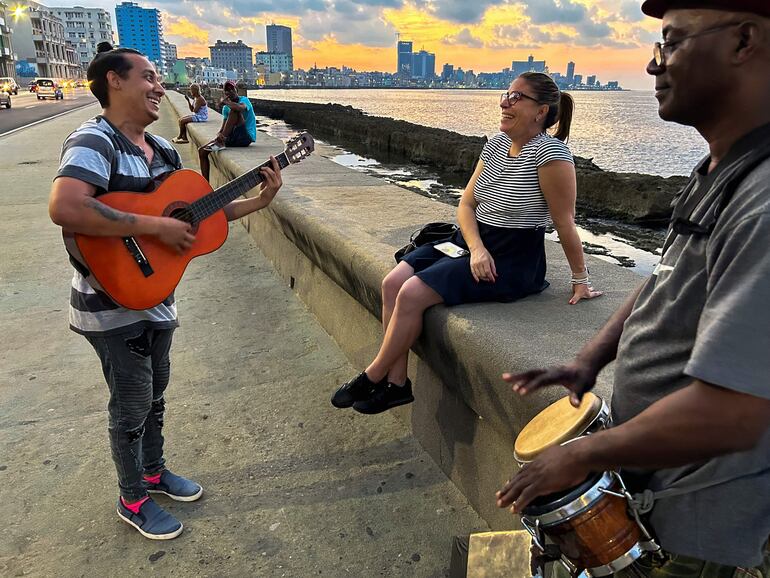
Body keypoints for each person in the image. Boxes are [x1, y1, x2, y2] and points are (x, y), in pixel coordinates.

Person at [496, 1, 770, 575]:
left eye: (670, 43)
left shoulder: (763, 201)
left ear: (745, 41)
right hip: (650, 478)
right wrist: (588, 360)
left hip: (697, 512)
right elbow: (666, 283)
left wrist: (582, 452)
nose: (654, 65)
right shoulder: (719, 168)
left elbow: (735, 412)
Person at [48, 43, 283, 540]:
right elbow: (66, 207)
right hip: (109, 304)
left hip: (157, 295)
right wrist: (153, 230)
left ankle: (153, 472)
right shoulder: (96, 139)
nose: (160, 87)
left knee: (156, 394)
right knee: (131, 401)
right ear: (114, 81)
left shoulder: (167, 152)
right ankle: (131, 497)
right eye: (149, 77)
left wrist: (260, 200)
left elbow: (199, 218)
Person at [330, 72, 602, 415]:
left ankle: (373, 374)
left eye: (516, 98)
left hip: (511, 258)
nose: (505, 102)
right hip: (470, 243)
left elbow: (564, 222)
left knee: (412, 293)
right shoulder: (495, 146)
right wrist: (475, 247)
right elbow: (466, 204)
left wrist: (581, 280)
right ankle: (397, 384)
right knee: (392, 283)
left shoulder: (552, 156)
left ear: (541, 111)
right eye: (506, 94)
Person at [198, 80, 256, 182]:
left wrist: (225, 102)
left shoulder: (244, 100)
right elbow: (223, 127)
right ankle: (205, 183)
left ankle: (222, 142)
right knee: (202, 151)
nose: (230, 92)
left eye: (231, 89)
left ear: (236, 90)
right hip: (232, 138)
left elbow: (240, 108)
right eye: (227, 90)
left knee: (235, 110)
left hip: (245, 137)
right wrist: (219, 134)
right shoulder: (226, 108)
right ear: (224, 93)